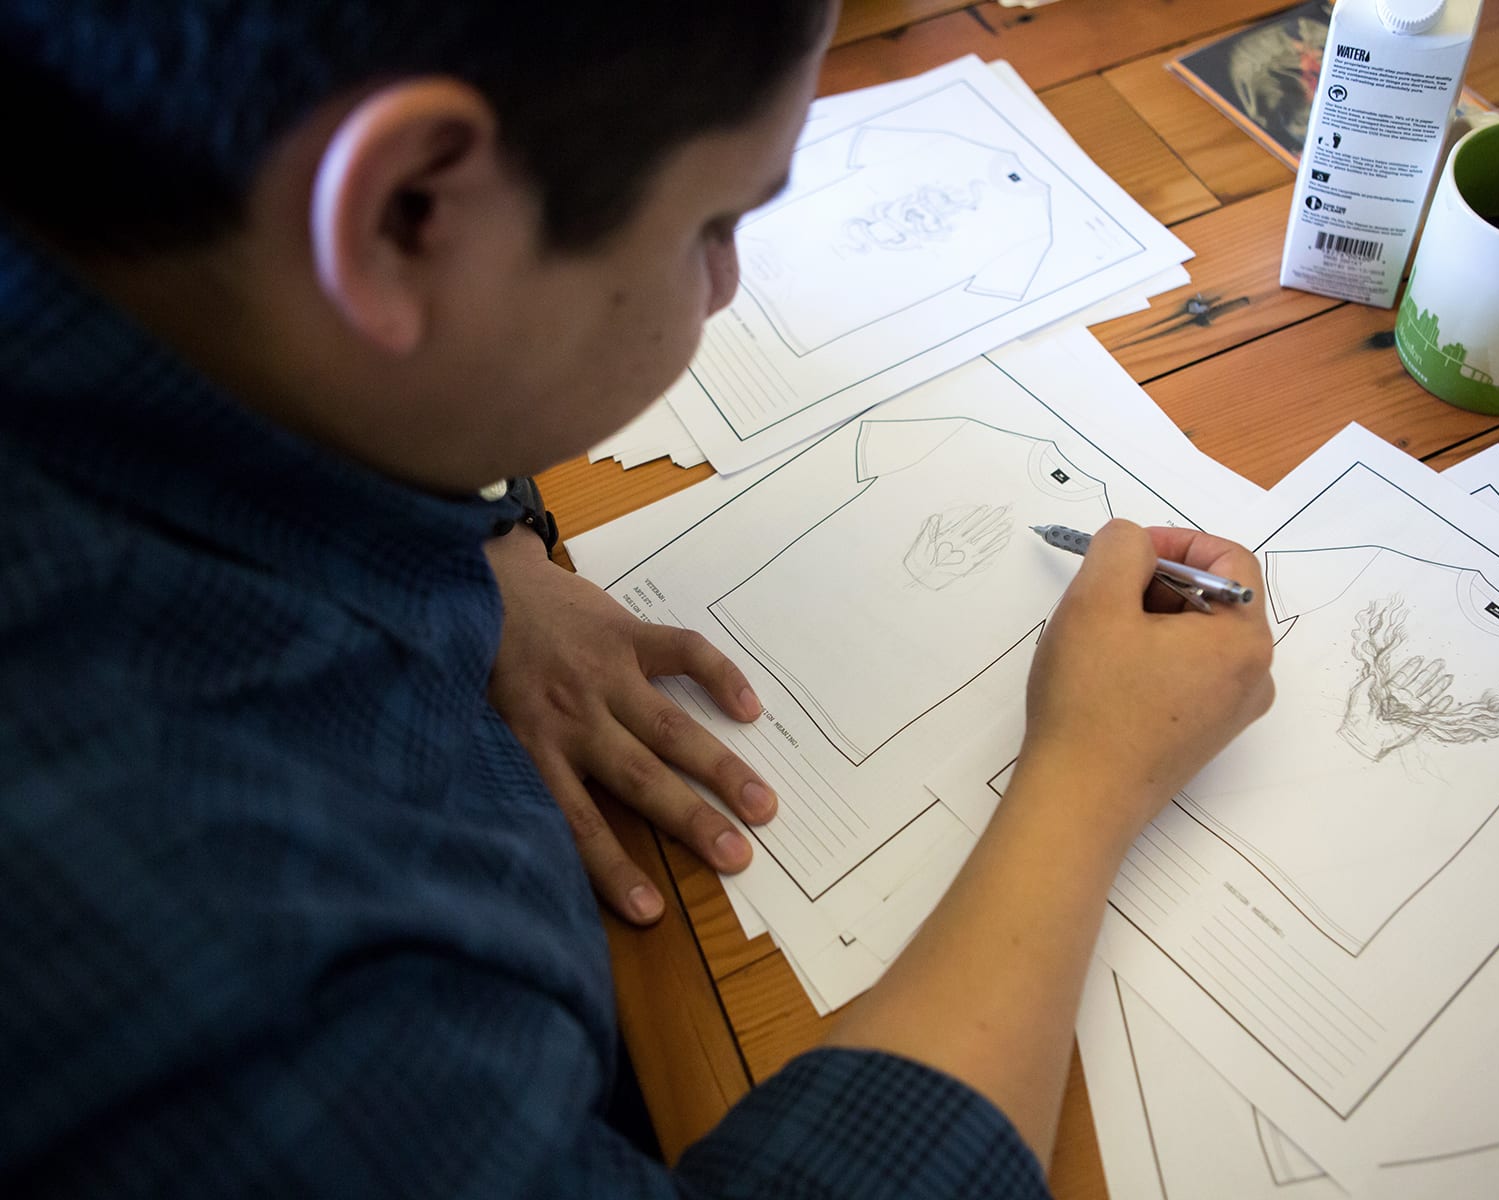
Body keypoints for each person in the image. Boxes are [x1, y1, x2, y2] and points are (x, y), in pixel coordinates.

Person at [0, 3, 1275, 1197]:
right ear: (405, 213)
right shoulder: (229, 963)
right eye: (713, 226)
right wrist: (1090, 776)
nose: (725, 290)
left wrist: (485, 552)